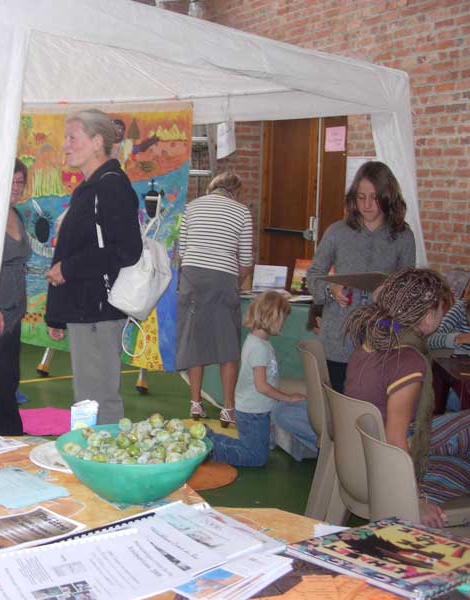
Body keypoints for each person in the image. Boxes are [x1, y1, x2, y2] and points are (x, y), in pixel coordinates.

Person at [344, 268, 470, 527]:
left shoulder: (375, 338)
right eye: (442, 310)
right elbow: (395, 441)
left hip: (359, 457)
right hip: (381, 469)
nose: (444, 314)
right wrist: (415, 500)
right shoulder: (408, 359)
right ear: (427, 316)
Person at [44, 109, 142, 424]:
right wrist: (58, 313)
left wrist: (68, 269)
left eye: (73, 138)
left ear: (98, 142)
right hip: (86, 310)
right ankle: (95, 451)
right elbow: (81, 249)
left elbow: (127, 250)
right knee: (89, 398)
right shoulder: (91, 187)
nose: (65, 145)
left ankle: (104, 453)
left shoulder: (110, 186)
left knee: (98, 400)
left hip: (98, 310)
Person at [306, 161, 416, 393]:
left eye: (374, 198)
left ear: (388, 196)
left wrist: (388, 295)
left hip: (381, 339)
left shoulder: (403, 237)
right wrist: (330, 290)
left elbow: (408, 291)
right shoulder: (337, 232)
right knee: (336, 403)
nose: (366, 205)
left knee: (370, 404)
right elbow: (313, 275)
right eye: (361, 197)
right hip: (338, 339)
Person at [176, 172, 252, 427]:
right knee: (227, 343)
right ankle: (228, 408)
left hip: (192, 277)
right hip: (223, 279)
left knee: (194, 340)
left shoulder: (191, 207)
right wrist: (235, 284)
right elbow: (246, 260)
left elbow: (182, 251)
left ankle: (195, 403)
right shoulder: (241, 212)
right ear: (236, 192)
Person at [207, 291, 312, 466]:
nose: (284, 324)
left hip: (256, 410)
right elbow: (261, 386)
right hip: (253, 413)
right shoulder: (259, 348)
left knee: (251, 448)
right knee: (255, 457)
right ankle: (211, 449)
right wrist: (287, 398)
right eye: (283, 319)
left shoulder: (258, 342)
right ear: (272, 317)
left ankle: (210, 439)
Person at [0, 159, 31, 435]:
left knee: (8, 377)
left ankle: (9, 435)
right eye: (11, 181)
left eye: (20, 182)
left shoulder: (16, 214)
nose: (16, 187)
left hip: (14, 309)